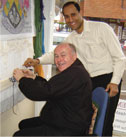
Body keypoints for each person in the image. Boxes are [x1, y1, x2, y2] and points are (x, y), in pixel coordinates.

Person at [23, 2, 126, 136]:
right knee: (88, 122)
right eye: (66, 17)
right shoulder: (71, 39)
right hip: (88, 82)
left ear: (80, 13)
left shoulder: (102, 29)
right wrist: (37, 61)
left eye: (73, 15)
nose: (70, 20)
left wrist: (115, 82)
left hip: (107, 80)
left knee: (104, 123)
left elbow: (120, 58)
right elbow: (54, 54)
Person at [13, 43, 93, 136]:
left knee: (18, 135)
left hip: (68, 128)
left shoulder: (74, 74)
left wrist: (22, 79)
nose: (59, 60)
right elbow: (51, 88)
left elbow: (40, 93)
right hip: (62, 119)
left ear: (74, 56)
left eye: (63, 55)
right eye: (56, 56)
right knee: (23, 124)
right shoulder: (75, 70)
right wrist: (34, 77)